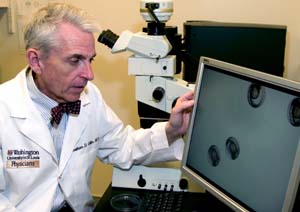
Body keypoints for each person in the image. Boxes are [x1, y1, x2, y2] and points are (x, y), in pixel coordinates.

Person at [0, 3, 194, 212]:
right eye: (75, 60)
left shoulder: (88, 96)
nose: (89, 74)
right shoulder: (5, 108)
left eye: (89, 60)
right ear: (36, 61)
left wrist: (171, 131)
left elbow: (122, 147)